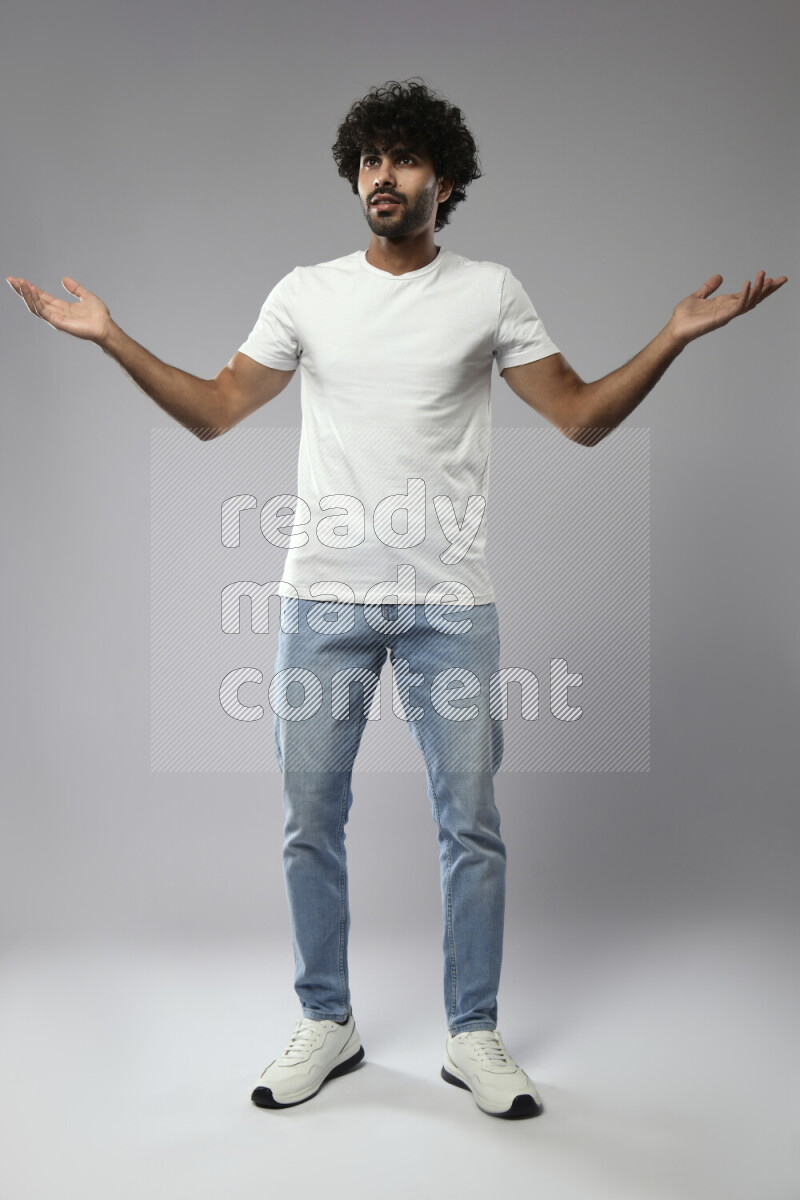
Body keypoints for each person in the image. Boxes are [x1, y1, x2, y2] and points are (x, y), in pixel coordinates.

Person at [6, 77, 786, 1121]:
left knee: (469, 824)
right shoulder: (305, 293)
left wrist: (672, 336)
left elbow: (582, 418)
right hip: (319, 606)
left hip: (445, 610)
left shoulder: (489, 292)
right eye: (370, 159)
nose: (384, 174)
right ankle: (326, 1021)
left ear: (443, 181)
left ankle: (472, 1035)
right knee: (307, 823)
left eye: (405, 158)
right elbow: (210, 412)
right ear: (355, 176)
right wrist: (111, 337)